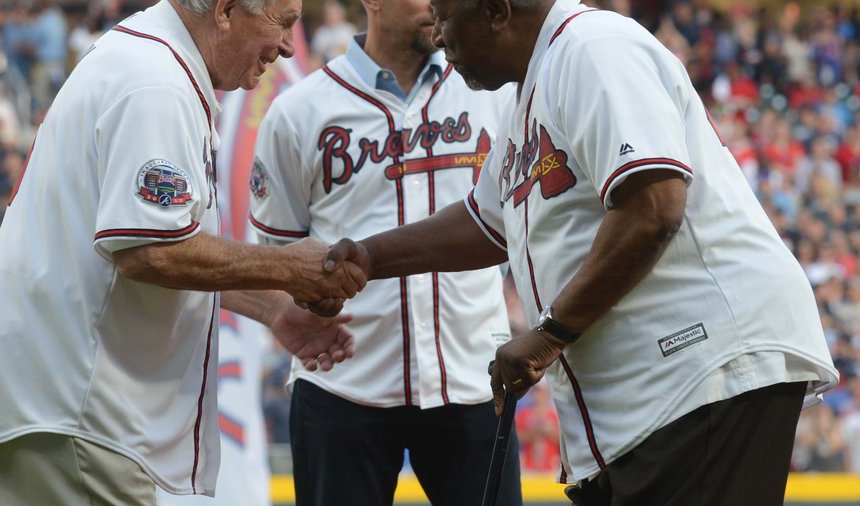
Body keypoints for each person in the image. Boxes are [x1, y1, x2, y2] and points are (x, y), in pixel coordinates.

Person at [317, 0, 840, 504]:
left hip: (704, 369)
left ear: (496, 11)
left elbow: (653, 207)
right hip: (655, 394)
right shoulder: (533, 85)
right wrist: (369, 257)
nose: (437, 36)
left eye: (446, 17)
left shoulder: (594, 48)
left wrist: (548, 337)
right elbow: (484, 222)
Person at [0, 0, 367, 504]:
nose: (286, 45)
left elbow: (151, 243)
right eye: (281, 22)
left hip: (65, 407)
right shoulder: (156, 80)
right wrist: (288, 268)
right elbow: (149, 251)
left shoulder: (152, 60)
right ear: (224, 10)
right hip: (76, 407)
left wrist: (274, 308)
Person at [247, 0, 522, 503]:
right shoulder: (299, 110)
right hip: (341, 382)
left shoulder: (489, 93)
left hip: (475, 377)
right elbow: (275, 255)